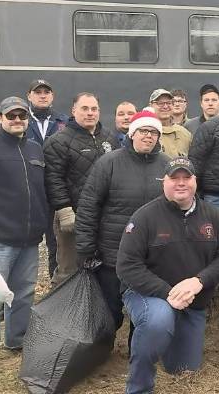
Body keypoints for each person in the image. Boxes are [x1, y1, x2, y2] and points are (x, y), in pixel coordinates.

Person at [116, 157, 219, 394]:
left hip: (192, 302)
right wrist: (168, 292)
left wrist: (198, 281)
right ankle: (139, 386)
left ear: (195, 181)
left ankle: (162, 341)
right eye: (174, 178)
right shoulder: (145, 216)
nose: (181, 183)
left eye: (186, 177)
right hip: (151, 294)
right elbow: (126, 265)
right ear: (164, 183)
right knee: (158, 320)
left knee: (183, 368)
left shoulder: (212, 215)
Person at [76, 109, 169, 331]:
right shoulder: (108, 163)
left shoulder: (167, 165)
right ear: (132, 133)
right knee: (110, 309)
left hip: (150, 254)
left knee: (145, 309)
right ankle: (104, 348)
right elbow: (89, 207)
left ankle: (136, 349)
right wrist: (86, 248)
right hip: (112, 253)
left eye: (154, 132)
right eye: (143, 131)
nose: (148, 136)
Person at [44, 92, 119, 286]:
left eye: (94, 109)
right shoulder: (58, 141)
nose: (90, 113)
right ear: (73, 110)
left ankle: (94, 312)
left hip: (104, 215)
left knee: (100, 267)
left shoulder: (109, 138)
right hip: (73, 214)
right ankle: (61, 312)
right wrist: (64, 209)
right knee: (69, 269)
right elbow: (53, 178)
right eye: (84, 108)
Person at [0, 97, 48, 350]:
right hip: (1, 239)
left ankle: (17, 340)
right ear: (0, 118)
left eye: (21, 116)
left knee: (24, 292)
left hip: (30, 239)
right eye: (11, 116)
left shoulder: (35, 149)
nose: (17, 120)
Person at [24, 79, 68, 278]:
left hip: (54, 191)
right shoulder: (20, 119)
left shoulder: (63, 122)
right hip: (28, 191)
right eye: (38, 92)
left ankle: (54, 284)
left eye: (46, 92)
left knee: (55, 241)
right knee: (23, 241)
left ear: (52, 96)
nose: (42, 95)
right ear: (29, 96)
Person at [149, 89, 192, 157]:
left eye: (169, 103)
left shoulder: (185, 134)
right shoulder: (145, 132)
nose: (165, 106)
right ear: (151, 105)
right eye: (160, 103)